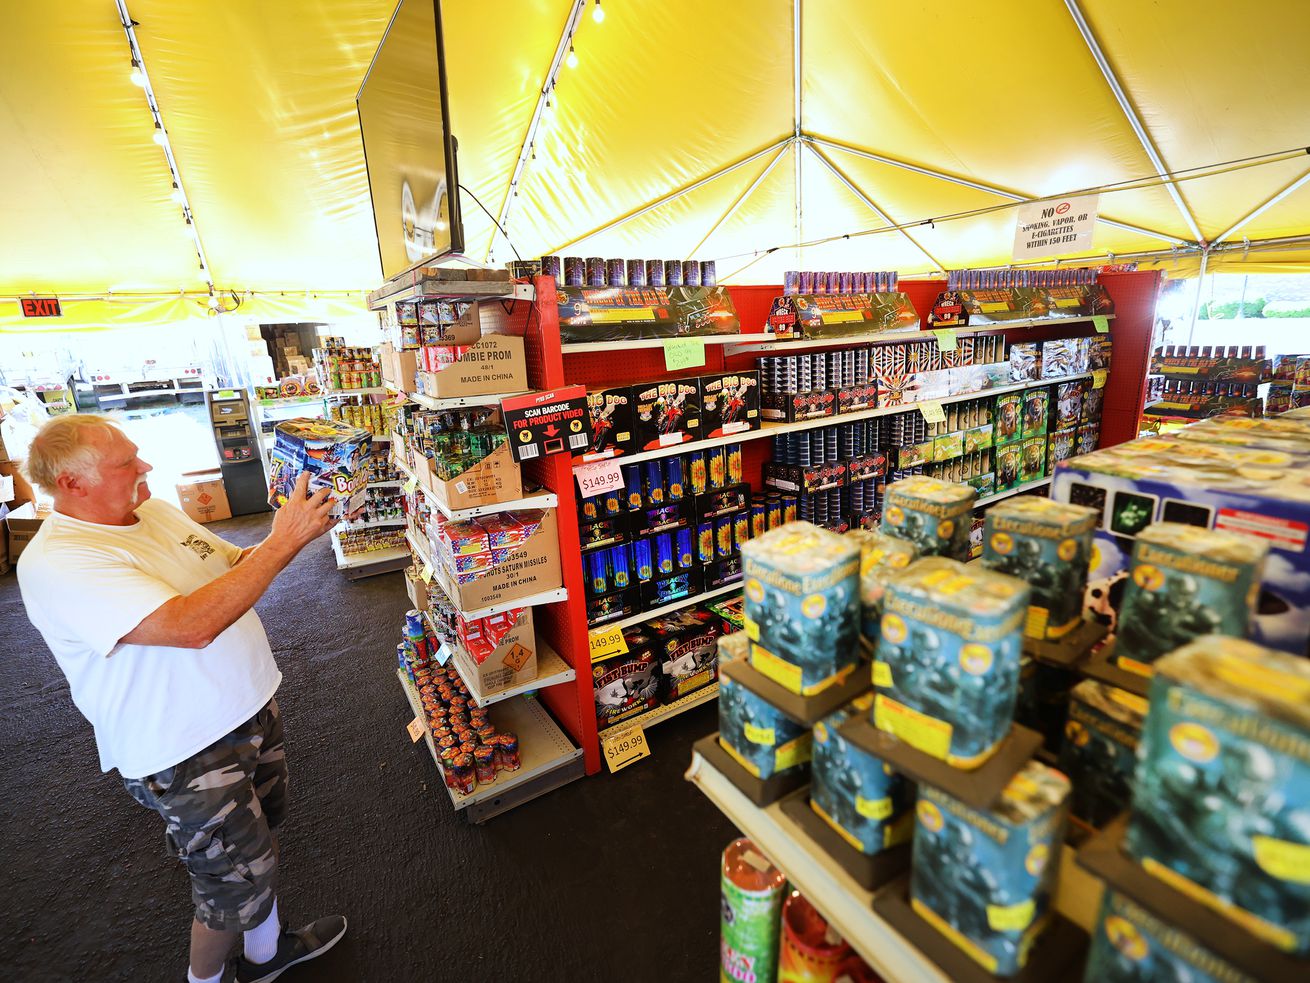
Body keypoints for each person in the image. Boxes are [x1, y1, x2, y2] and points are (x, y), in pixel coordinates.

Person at [16, 414, 346, 983]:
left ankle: (267, 955)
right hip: (183, 744)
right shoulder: (58, 561)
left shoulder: (154, 511)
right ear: (73, 482)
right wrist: (286, 538)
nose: (145, 467)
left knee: (262, 840)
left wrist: (304, 528)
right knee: (229, 882)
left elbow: (234, 568)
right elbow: (190, 624)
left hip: (248, 706)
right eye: (126, 463)